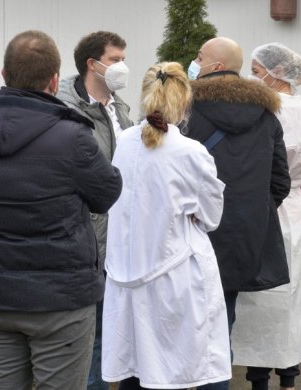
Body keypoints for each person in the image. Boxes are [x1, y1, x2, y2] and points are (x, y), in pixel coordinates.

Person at [0, 30, 122, 389]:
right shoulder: (74, 136)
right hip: (59, 298)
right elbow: (106, 195)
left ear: (3, 74)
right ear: (55, 80)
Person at [101, 62, 231, 389]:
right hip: (177, 275)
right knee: (194, 365)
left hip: (127, 274)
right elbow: (212, 217)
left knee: (137, 367)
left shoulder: (125, 144)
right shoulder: (190, 152)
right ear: (185, 101)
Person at [185, 36, 292, 390]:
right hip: (244, 236)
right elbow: (280, 182)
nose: (194, 61)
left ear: (215, 66)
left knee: (179, 325)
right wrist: (252, 212)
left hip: (191, 231)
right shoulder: (267, 113)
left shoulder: (185, 108)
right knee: (222, 322)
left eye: (199, 56)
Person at [231, 42, 301, 390]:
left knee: (262, 293)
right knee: (291, 293)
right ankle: (288, 374)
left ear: (277, 71)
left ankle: (259, 376)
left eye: (256, 72)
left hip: (265, 203)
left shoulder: (265, 109)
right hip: (294, 207)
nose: (253, 79)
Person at [56, 30, 134, 390]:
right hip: (87, 239)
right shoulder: (66, 111)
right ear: (93, 63)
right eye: (115, 59)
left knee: (111, 333)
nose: (122, 66)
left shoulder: (120, 108)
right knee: (90, 336)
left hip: (120, 238)